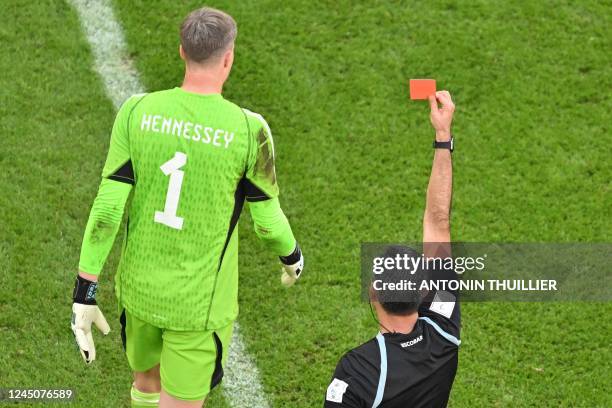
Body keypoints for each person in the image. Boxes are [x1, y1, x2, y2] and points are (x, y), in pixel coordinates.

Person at [70, 7, 303, 408]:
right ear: (228, 57)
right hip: (198, 308)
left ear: (182, 52)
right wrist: (292, 258)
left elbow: (107, 212)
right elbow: (267, 224)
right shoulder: (250, 131)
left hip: (140, 293)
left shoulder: (136, 112)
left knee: (146, 383)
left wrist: (85, 292)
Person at [324, 91, 459, 407]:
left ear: (374, 292)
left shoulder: (358, 369)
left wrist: (442, 136)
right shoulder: (444, 333)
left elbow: (438, 223)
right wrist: (443, 136)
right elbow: (438, 223)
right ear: (425, 292)